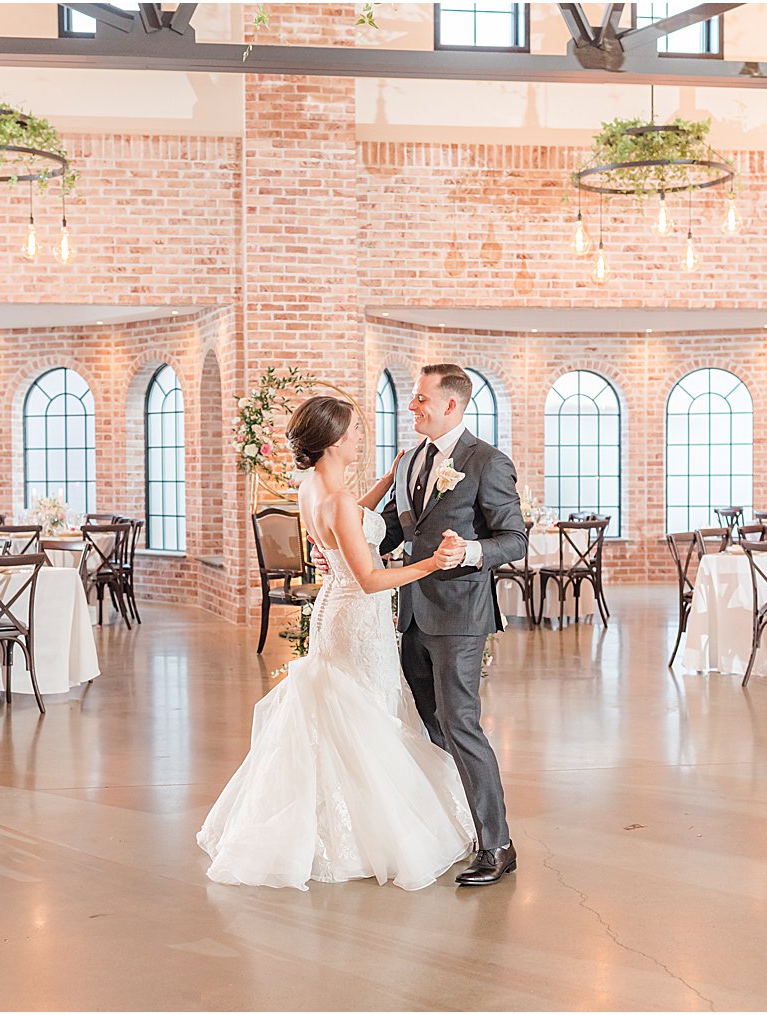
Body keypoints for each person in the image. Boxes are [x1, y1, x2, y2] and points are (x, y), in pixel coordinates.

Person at [197, 395, 476, 890]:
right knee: (366, 714)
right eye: (351, 433)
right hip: (358, 614)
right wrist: (432, 564)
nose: (358, 439)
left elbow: (348, 523)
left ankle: (335, 820)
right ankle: (373, 834)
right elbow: (369, 578)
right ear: (330, 442)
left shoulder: (313, 490)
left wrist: (385, 482)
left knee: (345, 713)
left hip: (333, 608)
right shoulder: (337, 499)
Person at [375, 363, 527, 886]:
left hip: (461, 615)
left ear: (450, 406)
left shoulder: (487, 462)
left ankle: (497, 844)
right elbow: (394, 531)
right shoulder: (409, 462)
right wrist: (345, 551)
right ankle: (452, 822)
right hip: (413, 611)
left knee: (460, 722)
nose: (411, 407)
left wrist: (471, 551)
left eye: (420, 399)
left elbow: (515, 539)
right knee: (427, 723)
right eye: (413, 399)